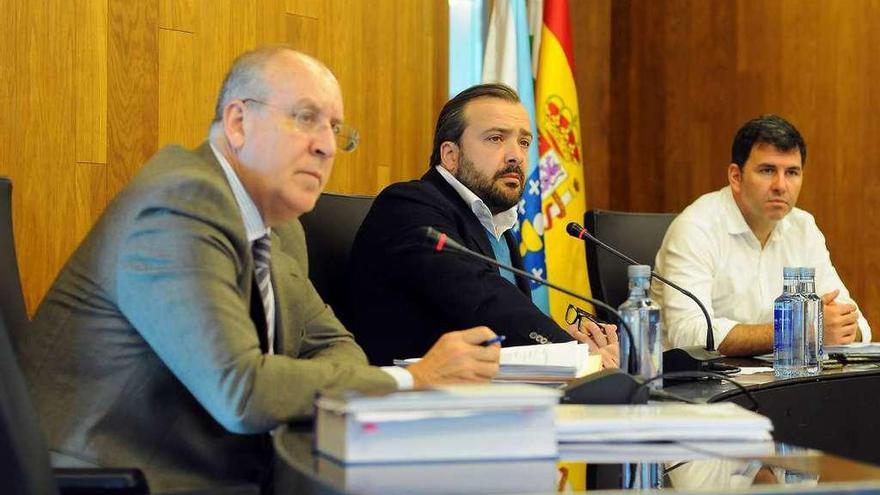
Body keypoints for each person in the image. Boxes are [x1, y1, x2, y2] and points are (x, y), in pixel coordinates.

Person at [16, 46, 500, 492]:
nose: (326, 146)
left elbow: (331, 344)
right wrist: (412, 378)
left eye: (335, 129)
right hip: (119, 479)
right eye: (306, 119)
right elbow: (242, 390)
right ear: (238, 122)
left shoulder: (277, 224)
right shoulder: (179, 205)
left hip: (235, 473)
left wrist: (306, 385)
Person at [347, 83, 619, 367]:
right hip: (412, 400)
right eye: (496, 139)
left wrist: (572, 341)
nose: (516, 155)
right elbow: (484, 302)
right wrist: (573, 351)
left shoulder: (499, 228)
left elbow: (509, 322)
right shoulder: (407, 207)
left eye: (524, 142)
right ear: (451, 155)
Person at [653, 114, 870, 356]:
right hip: (699, 385)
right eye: (767, 170)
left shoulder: (803, 227)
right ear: (736, 177)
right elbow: (687, 333)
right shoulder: (695, 228)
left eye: (792, 172)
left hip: (779, 379)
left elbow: (855, 322)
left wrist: (836, 327)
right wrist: (797, 331)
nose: (780, 185)